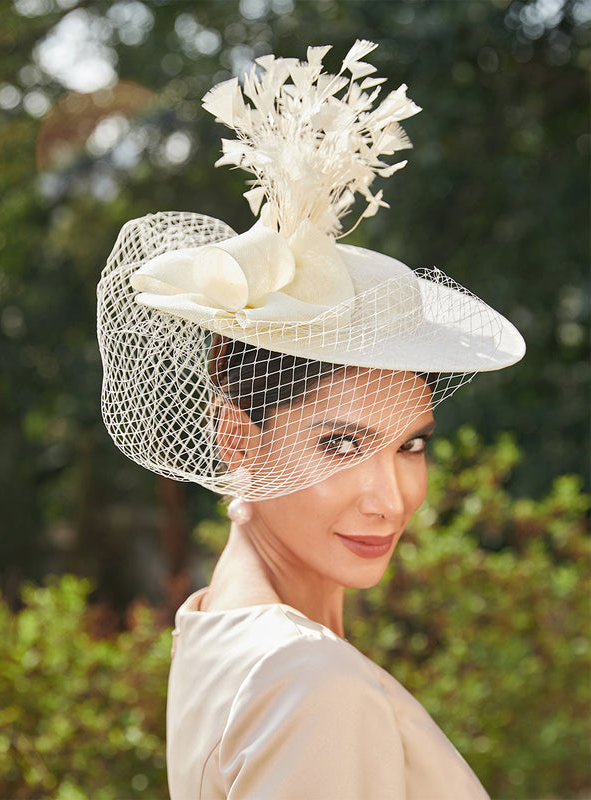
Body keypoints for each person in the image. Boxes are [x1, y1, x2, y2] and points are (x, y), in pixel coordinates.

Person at [97, 41, 525, 799]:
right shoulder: (309, 681)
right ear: (236, 438)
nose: (389, 498)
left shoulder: (218, 629)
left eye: (411, 444)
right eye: (340, 443)